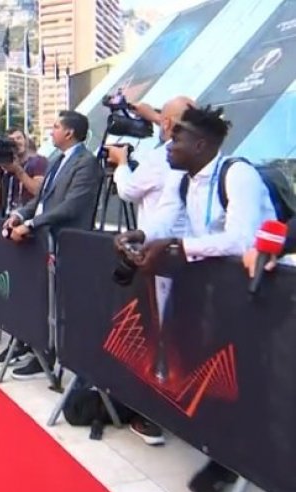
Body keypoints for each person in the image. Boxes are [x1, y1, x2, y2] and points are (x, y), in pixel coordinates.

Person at [115, 104, 276, 492]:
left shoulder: (237, 174)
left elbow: (241, 239)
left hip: (264, 287)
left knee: (254, 371)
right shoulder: (183, 180)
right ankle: (224, 451)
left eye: (177, 139)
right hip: (221, 290)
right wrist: (141, 236)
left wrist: (176, 245)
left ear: (201, 144)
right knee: (220, 366)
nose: (168, 145)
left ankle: (247, 460)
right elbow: (165, 221)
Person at [104, 96, 195, 447]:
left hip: (160, 259)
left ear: (168, 125)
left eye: (162, 119)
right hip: (191, 256)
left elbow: (128, 191)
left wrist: (121, 163)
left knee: (160, 336)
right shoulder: (198, 158)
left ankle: (154, 415)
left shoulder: (163, 158)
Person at [3, 110, 103, 379]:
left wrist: (32, 224)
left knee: (61, 305)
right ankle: (41, 351)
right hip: (43, 243)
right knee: (42, 300)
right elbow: (42, 200)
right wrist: (20, 214)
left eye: (56, 126)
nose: (51, 131)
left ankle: (60, 357)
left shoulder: (86, 163)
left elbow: (72, 206)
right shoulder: (57, 160)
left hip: (66, 244)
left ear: (69, 132)